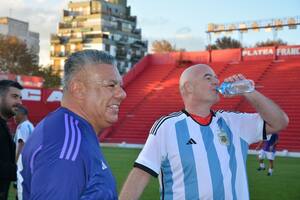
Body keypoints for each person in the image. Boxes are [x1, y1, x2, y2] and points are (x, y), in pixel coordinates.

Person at [119, 64, 289, 200]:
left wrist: (249, 92)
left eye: (216, 77)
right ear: (189, 87)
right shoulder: (167, 126)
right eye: (208, 78)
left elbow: (280, 122)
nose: (216, 81)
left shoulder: (233, 122)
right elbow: (141, 173)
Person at [18, 50, 126, 200]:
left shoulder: (69, 131)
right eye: (111, 85)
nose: (122, 94)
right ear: (78, 89)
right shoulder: (66, 144)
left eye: (120, 86)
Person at [0, 80, 23, 200]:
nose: (19, 102)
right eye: (14, 97)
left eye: (20, 98)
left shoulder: (4, 125)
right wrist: (26, 171)